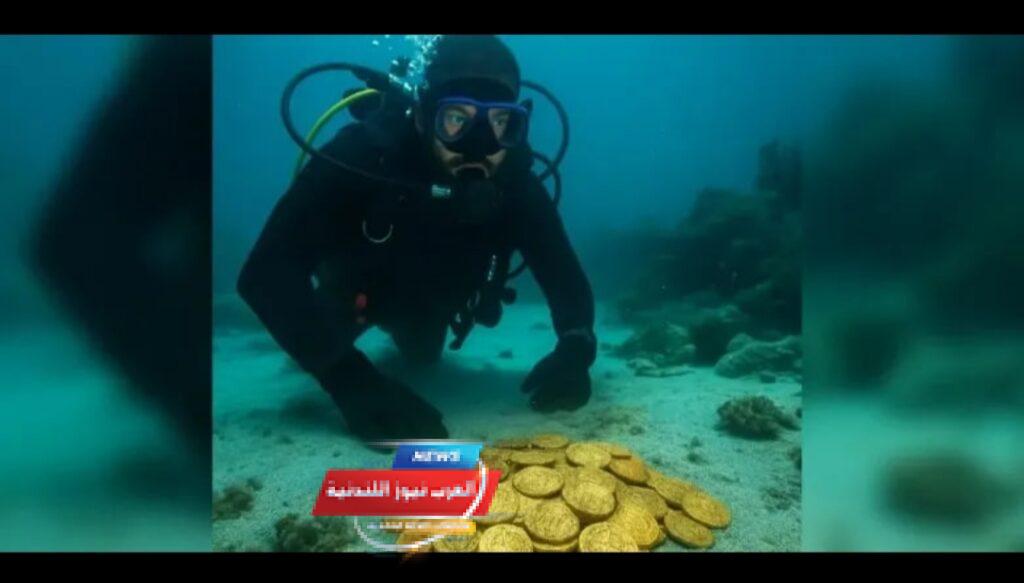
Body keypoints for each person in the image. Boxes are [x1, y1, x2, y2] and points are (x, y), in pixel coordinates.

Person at [238, 35, 595, 440]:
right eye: (456, 119)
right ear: (423, 117)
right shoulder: (363, 155)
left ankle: (401, 338)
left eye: (500, 122)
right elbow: (264, 274)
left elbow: (562, 272)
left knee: (423, 356)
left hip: (433, 309)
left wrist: (576, 347)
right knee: (320, 339)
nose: (479, 146)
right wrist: (348, 378)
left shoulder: (515, 183)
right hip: (353, 298)